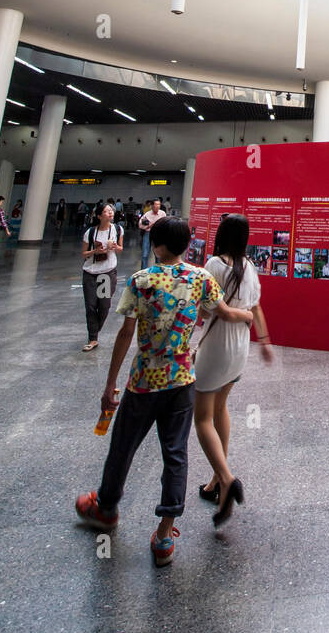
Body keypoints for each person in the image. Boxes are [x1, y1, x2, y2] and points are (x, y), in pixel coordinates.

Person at [75, 216, 224, 567]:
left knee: (123, 446)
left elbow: (126, 334)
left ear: (155, 245)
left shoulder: (142, 280)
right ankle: (164, 535)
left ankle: (107, 508)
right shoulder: (201, 277)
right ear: (187, 245)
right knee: (175, 454)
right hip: (182, 380)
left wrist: (111, 382)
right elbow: (219, 312)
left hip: (144, 381)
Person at [193, 214, 273, 527]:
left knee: (201, 417)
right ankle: (214, 481)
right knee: (221, 408)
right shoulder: (250, 267)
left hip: (215, 348)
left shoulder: (214, 265)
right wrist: (264, 340)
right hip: (239, 350)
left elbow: (204, 308)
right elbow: (255, 308)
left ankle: (226, 479)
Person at [80, 203, 124, 352]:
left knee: (104, 305)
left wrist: (114, 247)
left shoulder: (117, 229)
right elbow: (84, 254)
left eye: (111, 210)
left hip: (107, 272)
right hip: (91, 273)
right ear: (99, 216)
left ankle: (95, 330)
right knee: (91, 306)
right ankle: (93, 338)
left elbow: (120, 249)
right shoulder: (90, 232)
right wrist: (95, 251)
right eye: (106, 211)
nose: (110, 213)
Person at [138, 197, 166, 270]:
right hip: (148, 234)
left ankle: (158, 271)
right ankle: (143, 272)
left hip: (158, 235)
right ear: (152, 205)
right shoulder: (147, 214)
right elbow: (140, 224)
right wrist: (149, 225)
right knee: (145, 254)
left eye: (159, 204)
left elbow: (165, 225)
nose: (157, 206)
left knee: (158, 255)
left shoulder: (162, 214)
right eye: (156, 204)